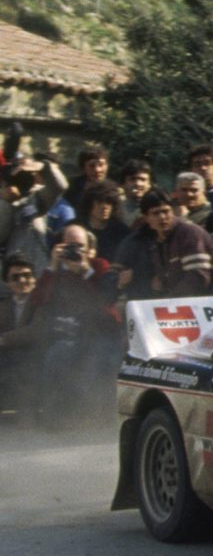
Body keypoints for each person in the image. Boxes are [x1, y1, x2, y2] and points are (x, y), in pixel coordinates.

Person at [25, 224, 120, 423]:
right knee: (55, 355)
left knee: (96, 358)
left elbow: (107, 301)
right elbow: (37, 300)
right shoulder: (58, 273)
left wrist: (86, 271)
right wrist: (52, 266)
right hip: (71, 336)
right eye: (69, 246)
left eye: (79, 246)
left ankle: (94, 416)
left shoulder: (99, 266)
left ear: (89, 248)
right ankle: (55, 417)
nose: (74, 251)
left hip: (101, 334)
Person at [137, 189, 213, 297]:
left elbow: (199, 277)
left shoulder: (189, 233)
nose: (162, 217)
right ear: (146, 218)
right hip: (191, 299)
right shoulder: (157, 241)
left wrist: (170, 300)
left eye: (166, 211)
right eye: (155, 213)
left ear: (173, 211)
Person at [1, 156, 68, 274]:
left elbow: (59, 186)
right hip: (9, 274)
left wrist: (45, 166)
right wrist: (6, 202)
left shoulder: (35, 199)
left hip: (36, 270)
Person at [0, 254, 38, 415]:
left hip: (35, 352)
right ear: (7, 282)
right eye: (15, 277)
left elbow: (36, 330)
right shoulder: (4, 305)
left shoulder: (42, 301)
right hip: (9, 354)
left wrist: (3, 339)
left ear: (34, 279)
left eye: (27, 275)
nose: (22, 280)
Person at [77, 179, 130, 262]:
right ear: (89, 204)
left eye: (109, 202)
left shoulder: (122, 232)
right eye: (99, 202)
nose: (105, 207)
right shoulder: (76, 228)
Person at [187, 144, 213, 211]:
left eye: (207, 163)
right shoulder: (187, 194)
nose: (203, 168)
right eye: (197, 164)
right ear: (191, 169)